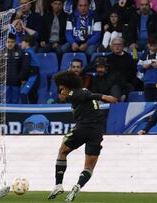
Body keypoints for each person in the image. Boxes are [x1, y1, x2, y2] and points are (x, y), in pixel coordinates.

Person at [48, 71, 117, 201]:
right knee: (89, 167)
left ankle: (58, 184)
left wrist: (104, 96)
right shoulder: (78, 95)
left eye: (62, 88)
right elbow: (84, 97)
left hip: (83, 128)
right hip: (97, 132)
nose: (61, 91)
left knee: (62, 151)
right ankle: (78, 186)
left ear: (68, 86)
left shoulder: (77, 92)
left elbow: (88, 95)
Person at [137, 35, 157, 102]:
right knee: (148, 103)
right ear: (148, 45)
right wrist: (144, 66)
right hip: (147, 83)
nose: (153, 47)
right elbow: (139, 67)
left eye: (154, 45)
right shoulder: (144, 55)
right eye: (151, 45)